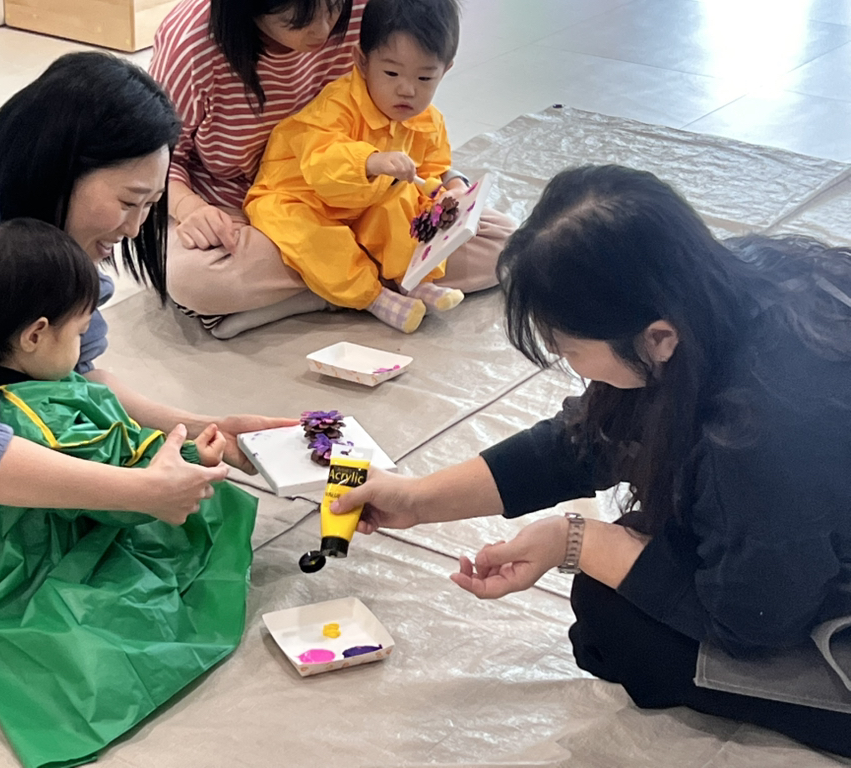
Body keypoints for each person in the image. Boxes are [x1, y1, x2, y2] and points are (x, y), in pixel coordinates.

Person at [330, 165, 851, 756]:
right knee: (645, 557)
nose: (568, 363)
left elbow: (751, 622)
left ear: (658, 339)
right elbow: (589, 438)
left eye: (569, 348)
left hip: (794, 590)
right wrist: (417, 498)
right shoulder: (721, 287)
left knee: (618, 623)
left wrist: (576, 541)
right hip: (793, 518)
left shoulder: (763, 433)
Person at [0, 51, 292, 674]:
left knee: (68, 471)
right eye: (129, 201)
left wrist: (203, 426)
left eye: (151, 205)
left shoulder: (31, 214)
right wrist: (137, 494)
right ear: (61, 167)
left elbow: (76, 379)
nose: (135, 229)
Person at [0, 218, 259, 767]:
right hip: (20, 561)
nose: (85, 346)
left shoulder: (19, 388)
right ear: (35, 335)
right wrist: (186, 461)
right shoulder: (41, 417)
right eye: (80, 331)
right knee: (141, 596)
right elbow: (114, 493)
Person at [150, 0, 513, 338]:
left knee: (502, 240)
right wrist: (191, 209)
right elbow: (155, 158)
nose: (323, 31)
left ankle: (331, 287)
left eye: (334, 7)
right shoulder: (191, 45)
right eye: (297, 19)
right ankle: (363, 284)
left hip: (366, 201)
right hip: (253, 209)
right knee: (192, 278)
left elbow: (419, 136)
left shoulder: (369, 10)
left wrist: (451, 186)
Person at [244, 0, 480, 334]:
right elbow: (321, 163)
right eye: (391, 73)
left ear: (445, 71)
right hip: (297, 197)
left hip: (363, 206)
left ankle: (415, 279)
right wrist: (369, 161)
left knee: (406, 206)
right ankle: (372, 296)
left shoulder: (429, 121)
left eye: (425, 77)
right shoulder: (337, 104)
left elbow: (432, 170)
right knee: (311, 238)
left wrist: (450, 189)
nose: (407, 90)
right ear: (362, 61)